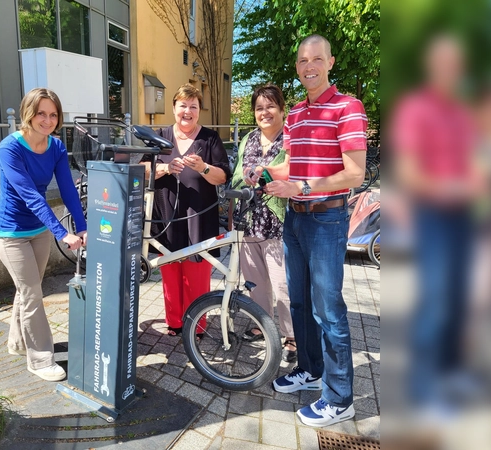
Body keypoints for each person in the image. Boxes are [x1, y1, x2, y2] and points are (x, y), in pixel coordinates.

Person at [253, 35, 367, 427]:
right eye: (303, 60)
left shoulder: (348, 107)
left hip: (326, 219)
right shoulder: (297, 113)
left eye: (317, 59)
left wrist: (299, 187)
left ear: (330, 62)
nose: (309, 66)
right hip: (295, 218)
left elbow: (355, 172)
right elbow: (295, 169)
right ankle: (311, 368)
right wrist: (267, 172)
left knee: (328, 310)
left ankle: (340, 399)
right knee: (300, 303)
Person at [390, 34, 483, 409]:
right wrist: (453, 186)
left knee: (461, 299)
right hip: (431, 217)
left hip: (464, 214)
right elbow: (410, 172)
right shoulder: (416, 109)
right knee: (435, 302)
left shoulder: (463, 112)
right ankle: (424, 390)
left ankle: (452, 371)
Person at [0, 88, 87, 382]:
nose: (47, 120)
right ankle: (40, 359)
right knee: (32, 293)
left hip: (38, 231)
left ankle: (17, 342)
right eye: (41, 113)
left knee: (27, 289)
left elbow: (68, 189)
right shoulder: (10, 149)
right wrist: (62, 232)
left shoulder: (56, 147)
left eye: (53, 114)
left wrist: (81, 226)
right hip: (10, 233)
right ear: (28, 114)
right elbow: (31, 196)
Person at [140, 84, 231, 337]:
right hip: (166, 214)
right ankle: (175, 323)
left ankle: (197, 325)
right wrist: (165, 169)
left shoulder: (210, 139)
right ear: (173, 108)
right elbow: (142, 169)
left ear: (199, 110)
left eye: (193, 106)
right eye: (183, 106)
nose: (187, 112)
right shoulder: (160, 136)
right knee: (170, 270)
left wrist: (203, 168)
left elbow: (223, 176)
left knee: (197, 270)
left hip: (199, 217)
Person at [231, 84, 296, 363]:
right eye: (259, 107)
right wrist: (243, 178)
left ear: (282, 110)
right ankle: (262, 325)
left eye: (270, 106)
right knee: (255, 283)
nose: (265, 112)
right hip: (249, 222)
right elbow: (235, 175)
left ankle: (292, 336)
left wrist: (265, 176)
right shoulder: (248, 140)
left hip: (279, 224)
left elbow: (293, 176)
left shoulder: (291, 140)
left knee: (283, 286)